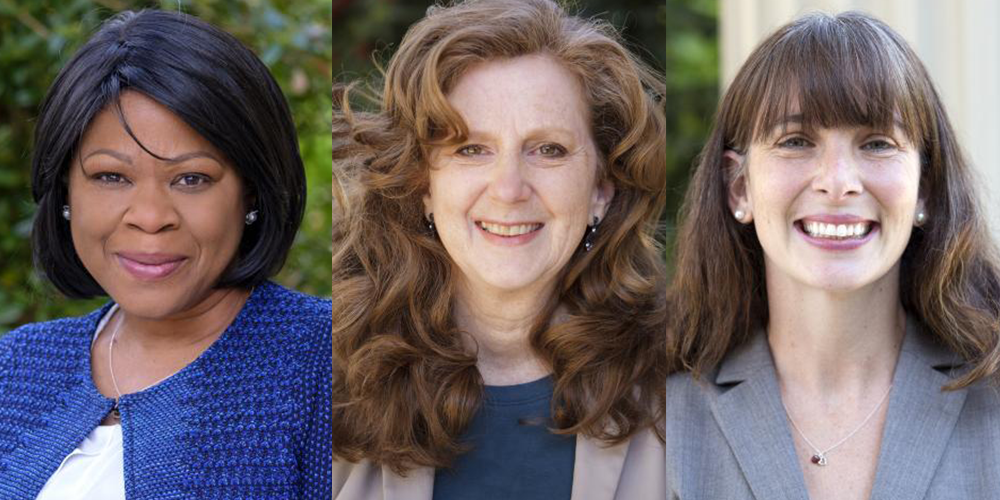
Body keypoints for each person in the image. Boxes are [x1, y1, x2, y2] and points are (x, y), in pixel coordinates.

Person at [331, 0, 666, 498]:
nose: (509, 188)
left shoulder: (680, 387)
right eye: (471, 149)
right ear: (422, 183)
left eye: (548, 149)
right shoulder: (327, 381)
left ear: (602, 188)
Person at [665, 11, 1000, 500]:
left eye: (877, 143)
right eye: (796, 141)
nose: (838, 182)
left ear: (925, 188)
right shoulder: (664, 418)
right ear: (740, 188)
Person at [0, 10, 331, 499]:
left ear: (252, 194)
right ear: (66, 189)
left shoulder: (326, 360)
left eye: (191, 178)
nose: (151, 216)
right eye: (111, 177)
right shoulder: (16, 367)